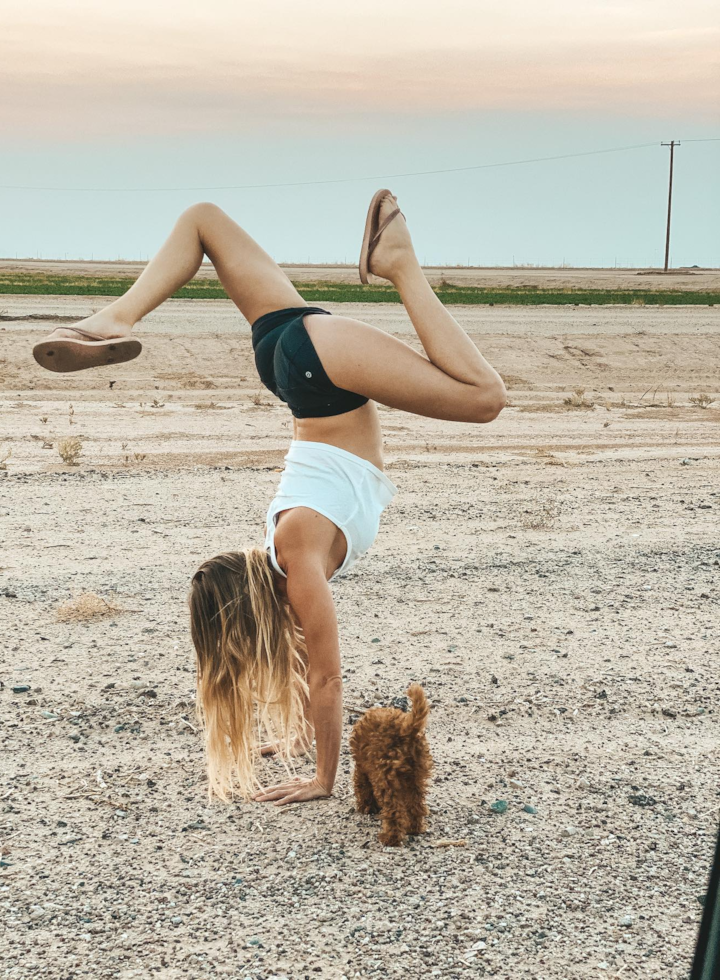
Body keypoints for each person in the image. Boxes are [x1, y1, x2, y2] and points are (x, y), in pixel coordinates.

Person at [33, 189, 506, 805]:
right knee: (203, 221)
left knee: (483, 399)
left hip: (321, 372)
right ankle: (117, 317)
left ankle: (399, 263)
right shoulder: (282, 554)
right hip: (288, 365)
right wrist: (296, 740)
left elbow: (328, 678)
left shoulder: (298, 557)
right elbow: (311, 673)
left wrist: (322, 781)